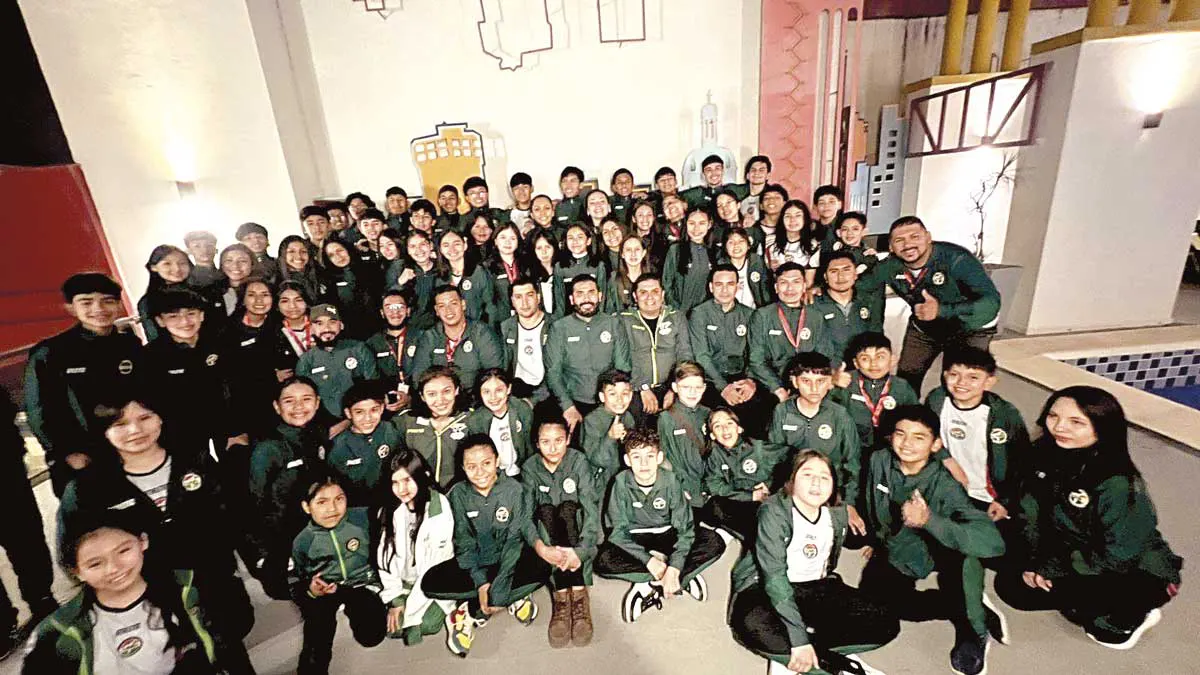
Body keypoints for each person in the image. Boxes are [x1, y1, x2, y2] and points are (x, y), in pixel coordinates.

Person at [60, 394, 255, 673]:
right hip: (150, 607)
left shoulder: (196, 461)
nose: (135, 430)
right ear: (104, 430)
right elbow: (72, 554)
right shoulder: (87, 489)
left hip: (215, 590)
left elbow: (237, 522)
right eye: (120, 424)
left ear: (160, 418)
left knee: (231, 657)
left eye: (145, 418)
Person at [994, 386, 1183, 649]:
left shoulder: (1117, 481)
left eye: (1076, 422)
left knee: (1103, 628)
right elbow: (1030, 508)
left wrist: (1052, 567)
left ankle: (1132, 615)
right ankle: (1076, 596)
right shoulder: (1044, 454)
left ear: (1102, 427)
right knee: (1011, 586)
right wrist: (1035, 560)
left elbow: (1120, 554)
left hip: (1132, 568)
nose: (1060, 427)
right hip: (1070, 543)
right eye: (1053, 416)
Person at [858, 404, 1007, 675]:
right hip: (902, 546)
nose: (907, 443)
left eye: (919, 437)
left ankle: (973, 628)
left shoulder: (945, 485)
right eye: (901, 434)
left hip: (941, 546)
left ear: (936, 444)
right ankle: (962, 606)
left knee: (967, 557)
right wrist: (877, 540)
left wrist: (929, 520)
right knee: (880, 606)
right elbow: (874, 504)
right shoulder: (880, 460)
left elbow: (993, 543)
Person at [727, 450, 898, 675]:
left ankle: (809, 653)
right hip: (764, 588)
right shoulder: (774, 512)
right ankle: (825, 661)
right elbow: (774, 579)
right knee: (752, 625)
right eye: (807, 474)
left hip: (816, 586)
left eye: (824, 477)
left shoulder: (837, 513)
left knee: (885, 621)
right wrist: (799, 640)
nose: (816, 483)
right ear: (792, 479)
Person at [23, 509, 224, 674]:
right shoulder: (57, 632)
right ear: (77, 571)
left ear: (143, 541)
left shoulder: (190, 588)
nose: (114, 568)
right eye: (95, 564)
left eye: (123, 551)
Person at [422, 435, 547, 657]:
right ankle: (469, 610)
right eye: (471, 466)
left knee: (543, 565)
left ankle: (488, 603)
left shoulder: (515, 489)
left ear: (497, 461)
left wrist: (499, 589)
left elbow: (514, 540)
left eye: (486, 463)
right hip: (476, 563)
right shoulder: (458, 494)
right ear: (463, 468)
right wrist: (481, 583)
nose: (480, 472)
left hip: (509, 559)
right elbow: (464, 544)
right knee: (431, 583)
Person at [25, 273, 141, 494]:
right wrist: (66, 453)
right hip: (82, 455)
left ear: (118, 305)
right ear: (71, 308)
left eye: (107, 301)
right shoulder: (50, 353)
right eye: (86, 302)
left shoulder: (130, 345)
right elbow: (39, 411)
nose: (99, 309)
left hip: (132, 445)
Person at [594, 428, 725, 622]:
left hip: (667, 533)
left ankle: (673, 577)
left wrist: (675, 566)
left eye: (650, 456)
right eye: (636, 457)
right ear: (627, 460)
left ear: (659, 458)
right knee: (603, 561)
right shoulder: (620, 483)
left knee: (713, 541)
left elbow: (685, 528)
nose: (644, 464)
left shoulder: (671, 481)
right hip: (635, 536)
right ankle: (662, 579)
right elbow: (617, 532)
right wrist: (649, 561)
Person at [874, 216, 1001, 392]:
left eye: (915, 237)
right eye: (899, 240)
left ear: (928, 237)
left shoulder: (956, 259)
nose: (908, 244)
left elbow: (991, 303)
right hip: (925, 327)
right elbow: (861, 282)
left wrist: (942, 310)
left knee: (958, 383)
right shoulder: (889, 266)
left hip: (970, 328)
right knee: (906, 380)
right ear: (890, 247)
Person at [925, 347, 1030, 547]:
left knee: (993, 547)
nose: (961, 383)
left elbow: (1022, 462)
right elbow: (927, 436)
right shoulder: (937, 400)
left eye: (973, 377)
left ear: (989, 382)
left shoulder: (1004, 415)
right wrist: (946, 458)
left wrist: (1005, 501)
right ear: (945, 375)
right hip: (947, 488)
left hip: (987, 496)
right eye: (954, 375)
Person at [290, 473, 386, 675]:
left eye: (339, 499)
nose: (332, 509)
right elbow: (294, 580)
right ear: (306, 507)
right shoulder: (301, 540)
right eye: (322, 502)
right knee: (317, 633)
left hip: (360, 584)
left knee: (371, 636)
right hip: (326, 589)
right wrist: (311, 590)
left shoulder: (362, 519)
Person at [247, 377, 331, 599]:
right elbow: (255, 504)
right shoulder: (268, 448)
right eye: (289, 401)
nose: (298, 407)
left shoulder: (316, 433)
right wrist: (263, 554)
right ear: (277, 406)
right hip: (281, 537)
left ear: (317, 402)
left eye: (306, 399)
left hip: (314, 529)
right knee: (289, 592)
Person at [140, 288, 243, 461]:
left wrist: (237, 430)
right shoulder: (151, 356)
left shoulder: (220, 343)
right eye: (173, 316)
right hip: (182, 435)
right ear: (160, 321)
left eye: (191, 313)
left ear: (201, 315)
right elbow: (155, 404)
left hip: (227, 428)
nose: (185, 321)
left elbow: (237, 387)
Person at [522, 420, 600, 647]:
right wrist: (540, 547)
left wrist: (581, 551)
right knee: (546, 511)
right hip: (550, 537)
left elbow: (591, 508)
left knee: (567, 509)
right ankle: (561, 596)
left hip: (575, 531)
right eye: (545, 442)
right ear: (537, 444)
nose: (553, 448)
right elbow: (525, 516)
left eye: (558, 440)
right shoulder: (530, 467)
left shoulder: (578, 461)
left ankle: (578, 593)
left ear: (567, 439)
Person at [768, 352, 865, 535]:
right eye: (806, 381)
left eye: (821, 381)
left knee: (853, 537)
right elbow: (774, 456)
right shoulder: (782, 411)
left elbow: (852, 463)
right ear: (795, 382)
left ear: (830, 383)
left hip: (828, 488)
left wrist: (848, 503)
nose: (814, 388)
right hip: (794, 487)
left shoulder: (839, 415)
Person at [376, 451, 457, 647]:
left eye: (407, 480)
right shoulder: (390, 509)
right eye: (395, 482)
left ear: (420, 476)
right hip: (406, 582)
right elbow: (385, 557)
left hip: (433, 581)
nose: (401, 489)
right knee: (388, 629)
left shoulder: (438, 507)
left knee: (427, 624)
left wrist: (411, 615)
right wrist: (396, 599)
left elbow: (432, 568)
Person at [0, 390, 56, 658]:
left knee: (25, 539)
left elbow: (5, 408)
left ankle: (42, 600)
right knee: (25, 538)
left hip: (4, 470)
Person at [544, 275, 632, 436]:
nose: (586, 298)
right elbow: (553, 372)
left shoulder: (613, 324)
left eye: (591, 292)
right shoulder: (559, 328)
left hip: (609, 403)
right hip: (574, 404)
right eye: (580, 294)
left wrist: (612, 404)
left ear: (600, 296)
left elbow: (622, 367)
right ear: (572, 299)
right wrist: (567, 406)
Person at [688, 264, 769, 433]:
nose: (724, 290)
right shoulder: (699, 314)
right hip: (711, 380)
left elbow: (755, 354)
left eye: (730, 284)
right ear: (711, 287)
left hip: (741, 379)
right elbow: (701, 356)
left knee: (761, 410)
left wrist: (750, 381)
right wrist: (723, 388)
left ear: (738, 287)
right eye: (719, 284)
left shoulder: (750, 315)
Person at [749, 262, 836, 403]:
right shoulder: (762, 315)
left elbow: (824, 356)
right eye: (784, 282)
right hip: (773, 384)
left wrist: (812, 387)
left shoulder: (815, 317)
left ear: (804, 286)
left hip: (810, 384)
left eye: (796, 282)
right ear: (776, 287)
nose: (790, 288)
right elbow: (756, 360)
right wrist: (777, 389)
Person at [702, 407, 788, 543]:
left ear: (739, 429)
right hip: (742, 501)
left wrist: (771, 484)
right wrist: (750, 496)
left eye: (729, 423)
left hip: (764, 502)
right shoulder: (715, 455)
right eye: (717, 426)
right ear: (712, 435)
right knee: (714, 507)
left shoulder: (758, 448)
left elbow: (791, 457)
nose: (725, 429)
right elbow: (714, 485)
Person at [409, 286, 503, 402]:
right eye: (442, 306)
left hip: (476, 401)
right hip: (440, 402)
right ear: (436, 311)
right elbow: (419, 378)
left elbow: (495, 374)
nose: (448, 310)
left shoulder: (481, 333)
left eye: (453, 304)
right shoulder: (430, 337)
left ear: (463, 305)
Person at [832, 332, 919, 450]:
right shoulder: (846, 382)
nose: (873, 364)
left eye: (880, 357)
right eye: (865, 358)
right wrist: (831, 382)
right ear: (856, 363)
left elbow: (915, 419)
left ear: (893, 360)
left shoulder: (902, 387)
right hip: (852, 446)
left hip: (889, 448)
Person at [619, 275, 692, 417]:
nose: (649, 297)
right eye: (643, 292)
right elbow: (622, 360)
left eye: (655, 291)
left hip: (672, 386)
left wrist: (675, 388)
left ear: (663, 294)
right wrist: (642, 387)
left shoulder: (676, 317)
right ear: (635, 296)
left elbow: (685, 355)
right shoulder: (623, 320)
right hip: (637, 386)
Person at [295, 304, 379, 421]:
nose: (326, 328)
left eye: (332, 322)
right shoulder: (306, 360)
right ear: (311, 328)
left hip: (361, 419)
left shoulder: (359, 349)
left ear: (341, 325)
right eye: (319, 323)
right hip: (324, 424)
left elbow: (373, 387)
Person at [393, 366, 471, 488]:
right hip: (421, 493)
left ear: (456, 390)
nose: (440, 400)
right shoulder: (407, 422)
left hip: (460, 493)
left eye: (446, 391)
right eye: (432, 394)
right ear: (422, 396)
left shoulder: (471, 419)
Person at [326, 382, 399, 507]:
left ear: (382, 408)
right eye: (359, 412)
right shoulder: (339, 446)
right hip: (357, 509)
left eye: (374, 410)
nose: (368, 418)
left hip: (393, 503)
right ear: (348, 413)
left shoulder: (391, 430)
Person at [811, 250, 884, 368]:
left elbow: (877, 337)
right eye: (834, 271)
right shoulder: (813, 305)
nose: (841, 276)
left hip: (864, 367)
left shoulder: (868, 301)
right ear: (825, 277)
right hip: (828, 370)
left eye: (846, 270)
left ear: (855, 274)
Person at [656, 362, 710, 514]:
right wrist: (678, 486)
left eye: (698, 387)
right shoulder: (666, 418)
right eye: (686, 387)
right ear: (675, 387)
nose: (692, 392)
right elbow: (664, 457)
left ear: (704, 388)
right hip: (684, 488)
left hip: (709, 487)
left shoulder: (708, 414)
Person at [466, 368, 535, 478]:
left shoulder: (522, 410)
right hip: (493, 476)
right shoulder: (475, 421)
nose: (493, 397)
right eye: (486, 392)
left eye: (499, 390)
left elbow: (529, 446)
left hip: (522, 472)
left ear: (508, 389)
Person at [500, 278, 552, 411]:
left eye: (529, 295)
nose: (524, 303)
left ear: (538, 298)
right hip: (517, 391)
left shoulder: (555, 325)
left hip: (549, 392)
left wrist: (534, 400)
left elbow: (558, 372)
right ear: (512, 301)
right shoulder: (506, 327)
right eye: (518, 297)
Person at [365, 287, 419, 408]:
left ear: (408, 311)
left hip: (419, 401)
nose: (395, 312)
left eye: (400, 307)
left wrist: (412, 398)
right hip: (387, 404)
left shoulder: (421, 337)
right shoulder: (372, 343)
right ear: (382, 313)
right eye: (389, 307)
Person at [580, 369, 636, 484]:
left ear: (631, 395)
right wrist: (610, 437)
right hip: (599, 482)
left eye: (624, 393)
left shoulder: (628, 417)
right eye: (612, 394)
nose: (619, 399)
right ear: (602, 397)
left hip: (623, 479)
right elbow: (598, 460)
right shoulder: (592, 421)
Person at [433, 229, 498, 327]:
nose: (452, 249)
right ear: (440, 249)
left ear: (465, 245)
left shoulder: (478, 272)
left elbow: (490, 306)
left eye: (456, 244)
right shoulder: (439, 279)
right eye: (446, 245)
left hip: (479, 329)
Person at [662, 208, 719, 313]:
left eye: (702, 223)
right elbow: (667, 284)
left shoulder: (715, 253)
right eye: (692, 223)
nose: (696, 228)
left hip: (705, 314)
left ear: (709, 224)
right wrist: (676, 310)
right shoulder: (676, 250)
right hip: (679, 313)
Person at [319, 239, 378, 339]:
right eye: (331, 255)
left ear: (348, 249)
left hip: (379, 329)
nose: (338, 256)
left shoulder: (369, 268)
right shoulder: (329, 280)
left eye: (340, 251)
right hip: (351, 335)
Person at [721, 226, 773, 308]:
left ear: (748, 245)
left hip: (755, 311)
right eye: (731, 242)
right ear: (725, 248)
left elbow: (765, 290)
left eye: (741, 241)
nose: (736, 245)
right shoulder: (720, 266)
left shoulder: (757, 262)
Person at [275, 280, 315, 378]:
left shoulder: (321, 324)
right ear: (277, 305)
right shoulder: (272, 333)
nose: (292, 306)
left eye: (298, 300)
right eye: (285, 301)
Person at [607, 234, 652, 314]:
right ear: (622, 254)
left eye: (637, 249)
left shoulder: (653, 279)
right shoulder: (614, 279)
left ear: (643, 253)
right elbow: (609, 311)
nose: (633, 254)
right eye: (628, 250)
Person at [278, 234, 324, 304]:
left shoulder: (320, 274)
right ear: (283, 254)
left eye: (303, 251)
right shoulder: (276, 280)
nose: (298, 256)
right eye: (291, 251)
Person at [217, 243, 256, 316]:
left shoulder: (264, 289)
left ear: (252, 264)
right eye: (229, 260)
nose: (235, 266)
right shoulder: (212, 291)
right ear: (221, 265)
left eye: (242, 261)